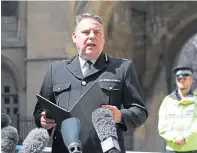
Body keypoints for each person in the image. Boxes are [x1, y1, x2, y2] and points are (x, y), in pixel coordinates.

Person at [33, 12, 148, 153]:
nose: (92, 36)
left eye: (97, 32)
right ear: (74, 37)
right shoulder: (56, 70)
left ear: (103, 39)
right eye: (86, 32)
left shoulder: (122, 68)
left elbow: (139, 111)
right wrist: (43, 120)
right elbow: (39, 110)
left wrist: (120, 116)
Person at [158, 66, 197, 153]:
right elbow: (162, 126)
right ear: (176, 81)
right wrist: (175, 138)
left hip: (192, 149)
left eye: (185, 77)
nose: (181, 80)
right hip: (172, 149)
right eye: (179, 78)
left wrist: (184, 138)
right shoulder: (167, 101)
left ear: (191, 80)